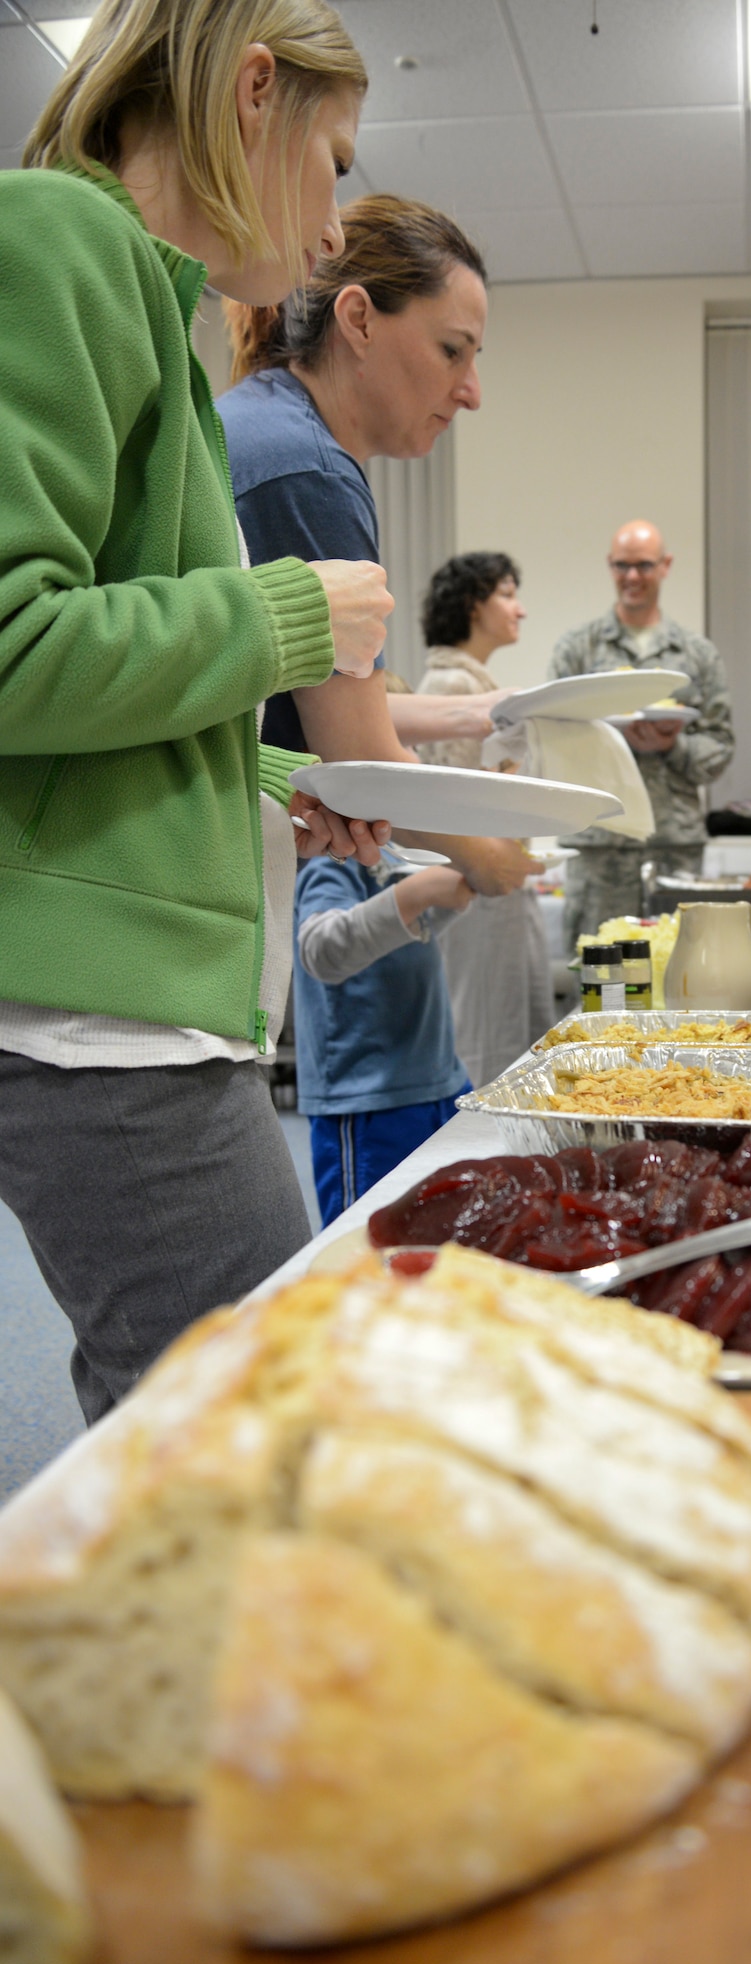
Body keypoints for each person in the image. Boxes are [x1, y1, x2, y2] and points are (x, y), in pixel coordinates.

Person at [0, 0, 401, 1423]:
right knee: (249, 1443)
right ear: (249, 96)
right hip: (97, 1022)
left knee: (200, 1441)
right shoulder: (58, 239)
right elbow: (10, 645)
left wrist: (270, 781)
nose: (336, 215)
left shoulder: (158, 316)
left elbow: (104, 701)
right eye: (335, 159)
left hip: (136, 1008)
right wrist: (289, 614)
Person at [221, 193, 542, 904]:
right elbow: (361, 758)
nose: (471, 392)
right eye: (451, 350)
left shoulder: (267, 424)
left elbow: (316, 705)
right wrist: (486, 855)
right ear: (358, 319)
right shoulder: (308, 468)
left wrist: (482, 712)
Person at [549, 520, 735, 949]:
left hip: (674, 844)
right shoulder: (578, 649)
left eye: (644, 566)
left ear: (665, 566)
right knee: (598, 973)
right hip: (599, 842)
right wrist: (611, 736)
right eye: (622, 566)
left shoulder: (697, 654)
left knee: (684, 972)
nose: (632, 577)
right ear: (609, 566)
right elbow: (551, 743)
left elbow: (721, 748)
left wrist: (673, 745)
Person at [416, 554, 557, 1086]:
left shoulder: (470, 683)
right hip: (474, 885)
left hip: (495, 884)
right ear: (475, 604)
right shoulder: (452, 688)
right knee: (489, 1042)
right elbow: (455, 812)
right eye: (506, 594)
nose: (519, 610)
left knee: (515, 1032)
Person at [293, 850, 474, 1224]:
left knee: (446, 1231)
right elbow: (322, 949)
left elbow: (411, 931)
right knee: (366, 1248)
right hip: (367, 1100)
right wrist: (418, 891)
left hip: (438, 1081)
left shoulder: (397, 854)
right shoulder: (333, 860)